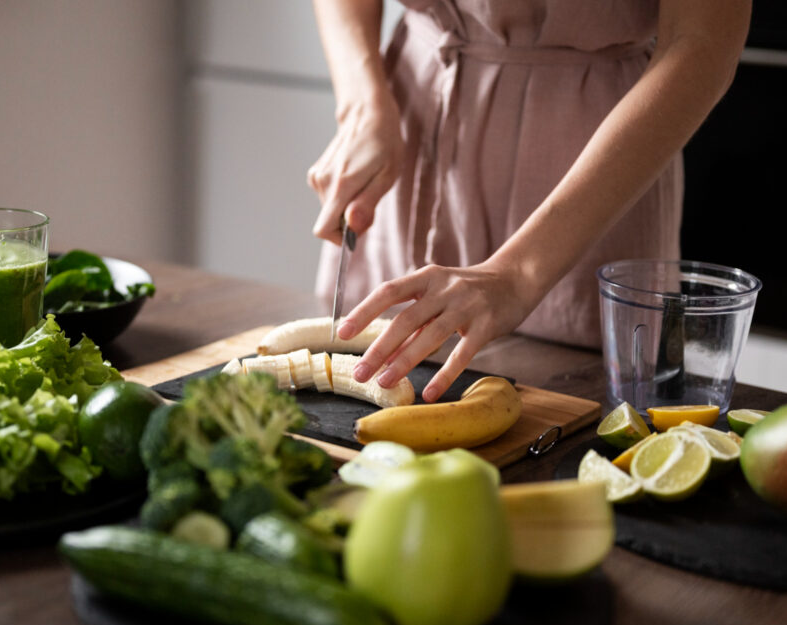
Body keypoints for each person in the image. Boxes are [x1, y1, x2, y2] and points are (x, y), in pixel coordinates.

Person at [307, 0, 751, 402]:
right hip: (412, 122)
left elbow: (702, 40)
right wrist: (361, 105)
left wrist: (517, 274)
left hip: (595, 164)